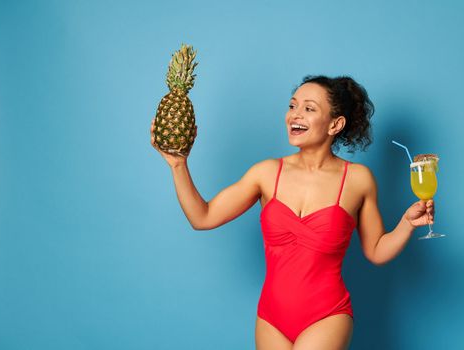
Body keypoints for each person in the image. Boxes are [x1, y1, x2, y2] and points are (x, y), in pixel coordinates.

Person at [150, 75, 435, 350]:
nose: (294, 115)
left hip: (327, 315)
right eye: (292, 105)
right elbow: (203, 217)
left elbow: (375, 250)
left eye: (309, 109)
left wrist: (406, 224)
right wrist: (178, 165)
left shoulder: (358, 180)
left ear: (335, 124)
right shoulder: (265, 173)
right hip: (271, 318)